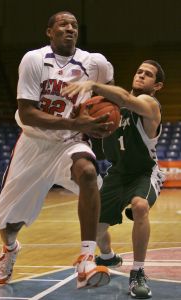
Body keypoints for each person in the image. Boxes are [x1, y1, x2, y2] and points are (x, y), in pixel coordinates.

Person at [0, 11, 115, 288]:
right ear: (49, 31)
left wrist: (107, 118)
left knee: (89, 173)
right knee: (8, 224)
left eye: (74, 25)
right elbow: (28, 113)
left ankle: (87, 258)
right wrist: (74, 120)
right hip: (35, 143)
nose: (70, 28)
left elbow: (111, 96)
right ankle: (10, 249)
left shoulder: (95, 63)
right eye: (63, 24)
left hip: (70, 141)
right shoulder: (34, 59)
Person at [62, 59, 165, 298]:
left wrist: (92, 85)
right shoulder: (110, 106)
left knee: (140, 206)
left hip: (143, 172)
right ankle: (108, 255)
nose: (140, 75)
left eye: (147, 74)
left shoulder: (150, 104)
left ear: (156, 85)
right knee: (95, 229)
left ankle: (138, 272)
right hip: (116, 173)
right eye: (138, 71)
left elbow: (128, 100)